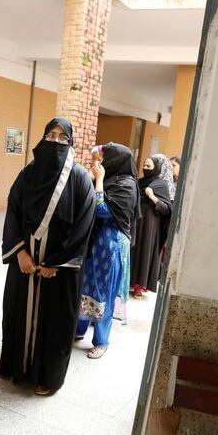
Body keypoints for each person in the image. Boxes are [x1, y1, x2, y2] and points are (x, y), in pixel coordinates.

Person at [0, 118, 95, 395]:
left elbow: (84, 225)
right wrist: (19, 253)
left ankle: (47, 377)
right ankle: (19, 366)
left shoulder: (79, 178)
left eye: (62, 137)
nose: (54, 141)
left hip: (58, 271)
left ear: (71, 142)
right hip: (25, 264)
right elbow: (13, 211)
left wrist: (58, 264)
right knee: (18, 314)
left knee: (54, 324)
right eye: (49, 135)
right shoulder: (28, 174)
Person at [76, 143, 140, 359]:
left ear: (115, 160)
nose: (101, 162)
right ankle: (78, 330)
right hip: (95, 244)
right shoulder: (113, 179)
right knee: (86, 286)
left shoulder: (127, 185)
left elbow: (101, 210)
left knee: (104, 292)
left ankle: (101, 342)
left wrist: (100, 181)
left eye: (104, 157)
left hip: (111, 246)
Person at [130, 154, 175, 299]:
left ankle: (139, 287)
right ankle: (128, 282)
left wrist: (152, 197)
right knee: (133, 251)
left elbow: (167, 209)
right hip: (136, 223)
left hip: (150, 227)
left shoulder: (160, 185)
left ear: (157, 168)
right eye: (144, 165)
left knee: (145, 252)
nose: (145, 168)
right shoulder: (138, 182)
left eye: (149, 166)